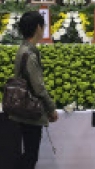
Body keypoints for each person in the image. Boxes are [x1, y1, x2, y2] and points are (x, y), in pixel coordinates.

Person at [11, 11, 59, 169]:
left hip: (23, 108)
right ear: (38, 27)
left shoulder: (23, 49)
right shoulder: (30, 54)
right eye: (43, 25)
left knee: (29, 154)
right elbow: (38, 87)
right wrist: (51, 108)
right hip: (30, 110)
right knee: (30, 156)